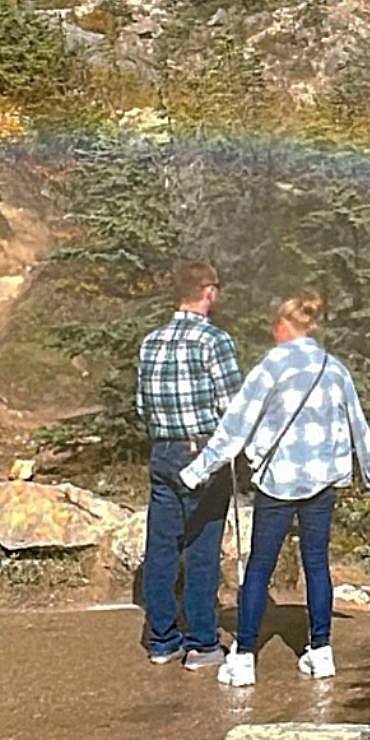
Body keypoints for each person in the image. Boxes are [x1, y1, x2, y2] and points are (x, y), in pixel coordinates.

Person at [180, 287, 370, 687]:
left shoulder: (271, 367)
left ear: (283, 325)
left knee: (258, 566)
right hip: (323, 482)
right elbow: (359, 427)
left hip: (278, 481)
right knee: (316, 564)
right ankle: (321, 651)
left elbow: (234, 429)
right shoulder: (334, 367)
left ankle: (243, 659)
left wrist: (196, 471)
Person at [136, 258, 242, 667]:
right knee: (201, 547)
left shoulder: (151, 341)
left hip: (162, 450)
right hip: (201, 452)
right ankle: (201, 641)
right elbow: (233, 409)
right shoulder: (213, 341)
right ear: (209, 292)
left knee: (161, 546)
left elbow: (142, 405)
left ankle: (161, 639)